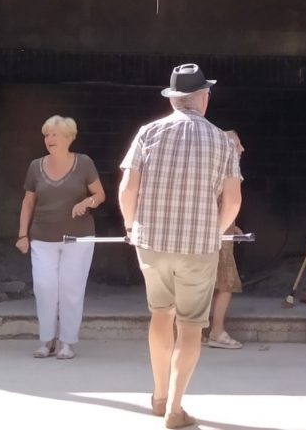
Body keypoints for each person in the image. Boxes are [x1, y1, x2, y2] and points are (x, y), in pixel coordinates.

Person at [119, 63, 242, 429]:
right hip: (198, 248)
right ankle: (175, 407)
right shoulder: (222, 140)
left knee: (161, 315)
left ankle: (158, 396)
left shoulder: (148, 133)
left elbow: (128, 189)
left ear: (173, 100)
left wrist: (131, 226)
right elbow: (233, 201)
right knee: (190, 326)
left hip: (152, 244)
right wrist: (214, 232)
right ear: (204, 98)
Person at [16, 115, 105, 361]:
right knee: (44, 287)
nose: (49, 139)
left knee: (71, 289)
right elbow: (28, 202)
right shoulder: (35, 166)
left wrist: (87, 202)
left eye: (54, 134)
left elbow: (100, 195)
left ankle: (67, 341)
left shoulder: (84, 163)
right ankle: (47, 340)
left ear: (69, 137)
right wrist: (22, 234)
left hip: (79, 238)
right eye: (46, 135)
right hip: (42, 237)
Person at [205, 130, 246, 350]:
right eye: (237, 145)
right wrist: (224, 227)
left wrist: (233, 226)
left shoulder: (208, 168)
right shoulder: (228, 171)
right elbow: (227, 203)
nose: (242, 149)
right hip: (217, 237)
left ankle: (199, 331)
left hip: (215, 233)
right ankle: (217, 331)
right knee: (225, 282)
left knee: (206, 283)